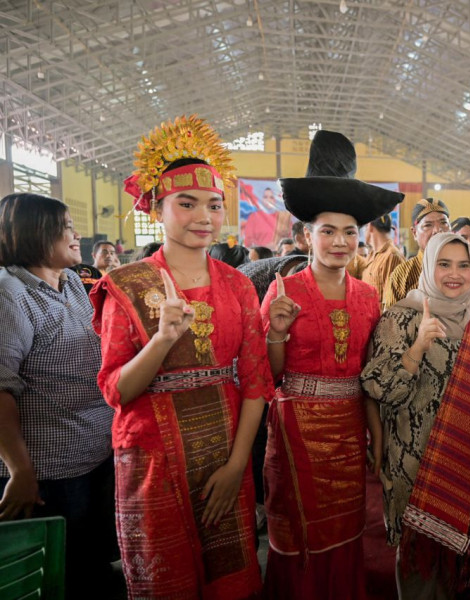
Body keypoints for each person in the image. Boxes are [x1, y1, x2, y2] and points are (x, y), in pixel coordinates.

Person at [92, 115, 272, 598]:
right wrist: (162, 340)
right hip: (152, 459)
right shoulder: (127, 286)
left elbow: (256, 383)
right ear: (157, 207)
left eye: (214, 205)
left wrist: (238, 467)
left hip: (223, 452)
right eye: (186, 203)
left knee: (229, 580)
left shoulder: (238, 284)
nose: (204, 217)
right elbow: (116, 390)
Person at [260, 129, 403, 598]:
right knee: (300, 532)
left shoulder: (367, 296)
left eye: (349, 232)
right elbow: (270, 375)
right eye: (328, 231)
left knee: (344, 529)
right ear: (307, 235)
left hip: (348, 430)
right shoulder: (283, 291)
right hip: (295, 431)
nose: (340, 242)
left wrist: (376, 437)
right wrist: (276, 332)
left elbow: (370, 375)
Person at [361, 233, 470, 599]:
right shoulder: (401, 317)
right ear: (428, 268)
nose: (455, 274)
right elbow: (381, 389)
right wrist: (418, 347)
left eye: (463, 265)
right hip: (416, 461)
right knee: (418, 558)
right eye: (443, 264)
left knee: (455, 555)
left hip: (467, 459)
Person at [0, 192, 116, 596]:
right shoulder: (10, 294)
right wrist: (21, 471)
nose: (76, 235)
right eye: (66, 227)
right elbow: (1, 389)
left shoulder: (71, 284)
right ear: (34, 232)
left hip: (94, 453)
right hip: (49, 472)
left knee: (90, 563)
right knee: (59, 576)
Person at [383, 198, 470, 308]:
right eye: (428, 225)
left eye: (443, 223)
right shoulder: (402, 275)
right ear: (414, 233)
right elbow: (390, 326)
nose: (438, 230)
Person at [361, 213, 405, 308]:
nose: (363, 233)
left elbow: (392, 304)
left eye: (364, 228)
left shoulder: (392, 257)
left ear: (370, 227)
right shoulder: (371, 256)